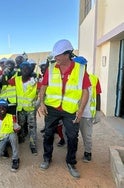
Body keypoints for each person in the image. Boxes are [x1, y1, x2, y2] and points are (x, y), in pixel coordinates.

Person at [38, 39, 91, 179]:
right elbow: (43, 86)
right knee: (48, 133)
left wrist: (80, 110)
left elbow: (86, 91)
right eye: (54, 55)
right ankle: (47, 158)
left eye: (58, 55)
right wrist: (42, 103)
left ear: (67, 54)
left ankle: (71, 162)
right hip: (52, 107)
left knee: (73, 136)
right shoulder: (51, 68)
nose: (55, 58)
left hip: (71, 109)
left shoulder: (80, 70)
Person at [73, 56, 102, 162]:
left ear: (85, 66)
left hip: (87, 113)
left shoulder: (94, 79)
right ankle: (72, 153)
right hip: (73, 112)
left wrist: (98, 111)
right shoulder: (71, 79)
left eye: (82, 66)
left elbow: (98, 95)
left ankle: (87, 153)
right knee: (72, 135)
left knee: (87, 136)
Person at [7, 61, 39, 154]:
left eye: (27, 69)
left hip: (31, 109)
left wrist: (39, 102)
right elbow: (6, 82)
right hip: (21, 109)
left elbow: (42, 88)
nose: (25, 71)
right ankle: (21, 138)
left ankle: (33, 145)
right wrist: (4, 74)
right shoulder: (16, 79)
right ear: (20, 70)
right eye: (23, 69)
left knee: (32, 127)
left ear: (30, 70)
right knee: (20, 126)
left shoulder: (34, 81)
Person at [0, 99, 21, 172]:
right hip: (1, 139)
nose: (2, 109)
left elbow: (15, 127)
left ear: (7, 109)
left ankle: (15, 159)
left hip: (9, 136)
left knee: (13, 136)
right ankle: (4, 149)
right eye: (0, 107)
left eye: (4, 107)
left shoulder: (11, 117)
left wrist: (17, 129)